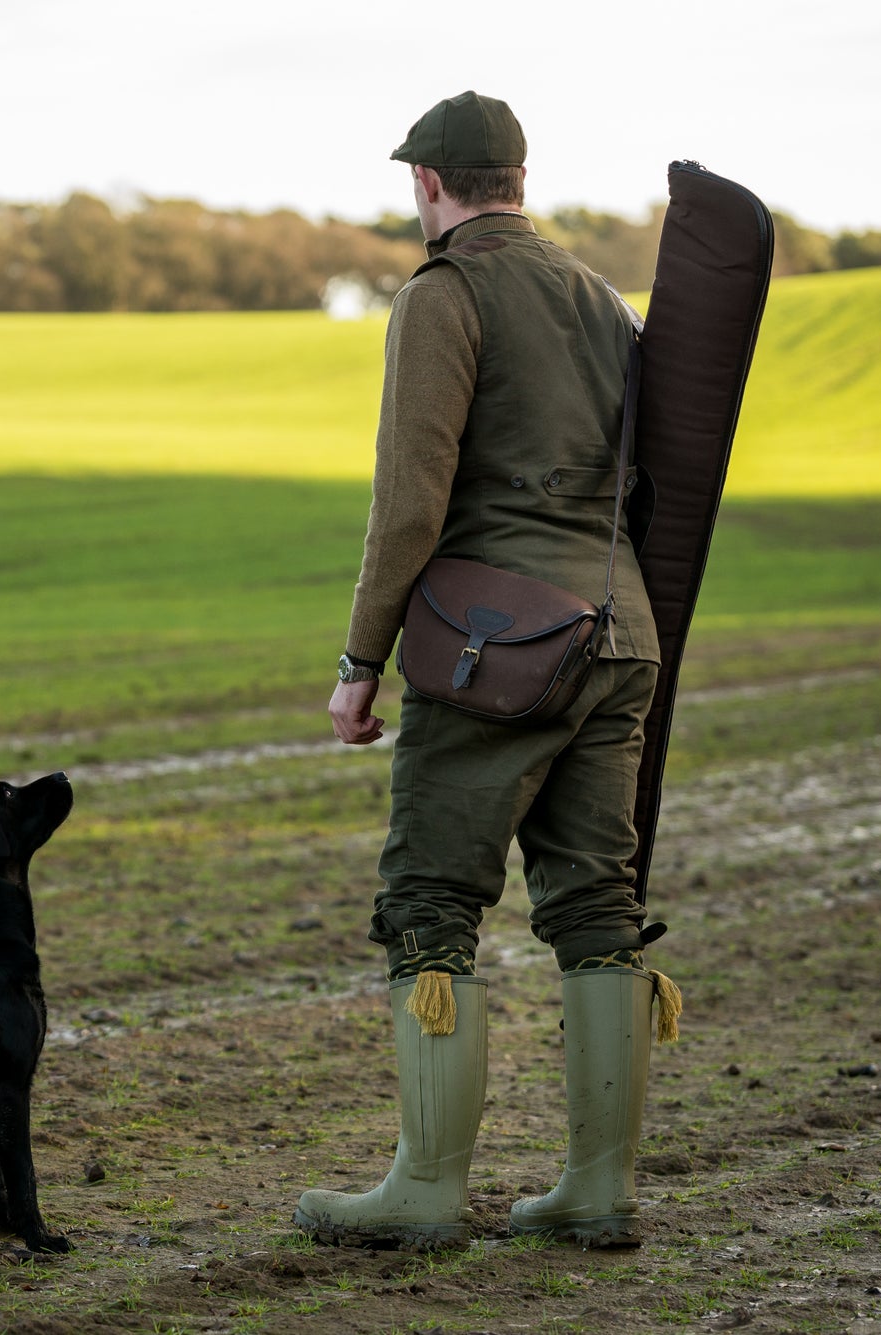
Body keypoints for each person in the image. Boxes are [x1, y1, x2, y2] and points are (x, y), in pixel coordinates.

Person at [294, 91, 678, 1252]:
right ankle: (594, 1189)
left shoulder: (443, 294)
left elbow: (409, 500)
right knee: (596, 907)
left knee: (429, 902)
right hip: (622, 633)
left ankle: (424, 1187)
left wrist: (361, 660)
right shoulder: (597, 296)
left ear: (426, 184)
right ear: (516, 174)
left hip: (500, 644)